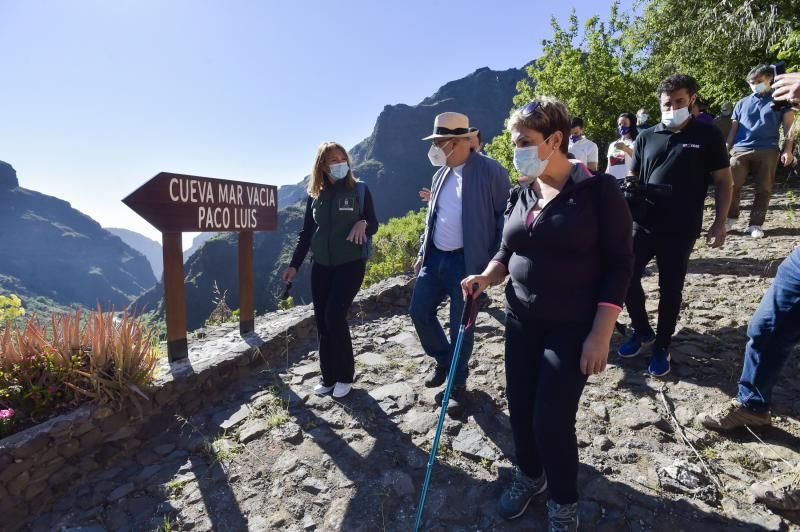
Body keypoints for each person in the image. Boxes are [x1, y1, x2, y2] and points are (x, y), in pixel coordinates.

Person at [461, 96, 633, 530]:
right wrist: (485, 277)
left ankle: (564, 502)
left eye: (524, 141)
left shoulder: (598, 191)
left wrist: (601, 334)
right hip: (521, 319)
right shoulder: (523, 191)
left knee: (551, 418)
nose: (515, 148)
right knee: (520, 408)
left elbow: (620, 264)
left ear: (555, 140)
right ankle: (529, 476)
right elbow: (506, 251)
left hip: (572, 324)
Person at [617, 74, 733, 377]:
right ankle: (642, 331)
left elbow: (723, 181)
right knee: (625, 276)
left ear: (692, 99)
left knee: (671, 288)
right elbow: (634, 175)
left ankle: (662, 345)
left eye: (679, 101)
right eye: (667, 103)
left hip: (681, 226)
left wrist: (719, 223)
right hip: (642, 222)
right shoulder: (645, 136)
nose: (672, 107)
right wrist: (628, 189)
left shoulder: (708, 136)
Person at [409, 112, 510, 416]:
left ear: (457, 142)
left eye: (439, 142)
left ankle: (457, 384)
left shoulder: (491, 171)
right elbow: (433, 218)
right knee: (419, 312)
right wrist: (421, 253)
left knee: (460, 326)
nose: (436, 148)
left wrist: (492, 265)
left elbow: (503, 219)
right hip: (435, 257)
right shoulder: (441, 174)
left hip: (468, 263)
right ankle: (445, 360)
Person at [283, 142, 378, 398]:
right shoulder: (315, 196)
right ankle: (328, 377)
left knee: (335, 317)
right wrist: (294, 265)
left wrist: (363, 224)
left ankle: (345, 375)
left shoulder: (359, 189)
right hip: (321, 266)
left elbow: (373, 223)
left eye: (341, 158)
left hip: (350, 263)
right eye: (331, 159)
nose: (338, 163)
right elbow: (306, 234)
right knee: (322, 321)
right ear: (322, 166)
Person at [726, 64, 795, 238]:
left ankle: (755, 224)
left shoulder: (780, 99)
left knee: (764, 188)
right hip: (740, 149)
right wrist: (726, 148)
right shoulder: (742, 103)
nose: (755, 84)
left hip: (768, 149)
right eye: (751, 82)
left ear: (769, 80)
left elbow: (789, 127)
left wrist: (788, 149)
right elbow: (733, 129)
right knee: (731, 185)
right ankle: (730, 218)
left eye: (759, 81)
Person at [419, 127, 484, 203]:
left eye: (472, 148)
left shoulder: (491, 171)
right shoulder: (439, 175)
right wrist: (434, 199)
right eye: (466, 147)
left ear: (480, 146)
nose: (468, 152)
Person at [606, 112, 639, 183]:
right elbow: (609, 166)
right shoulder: (613, 144)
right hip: (613, 181)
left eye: (625, 124)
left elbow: (639, 160)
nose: (621, 126)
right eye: (620, 124)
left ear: (631, 124)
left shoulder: (636, 142)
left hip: (628, 181)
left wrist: (626, 149)